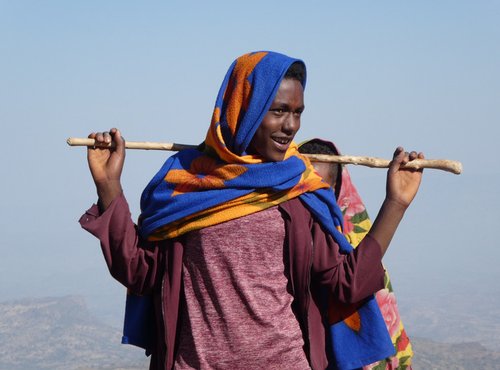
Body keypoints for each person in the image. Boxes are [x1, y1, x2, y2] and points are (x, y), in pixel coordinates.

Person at [79, 51, 424, 370]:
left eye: (297, 113)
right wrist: (108, 187)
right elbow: (140, 273)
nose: (291, 126)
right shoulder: (187, 183)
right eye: (278, 111)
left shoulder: (299, 188)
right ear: (244, 108)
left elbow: (342, 284)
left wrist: (395, 204)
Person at [298, 139, 413, 369]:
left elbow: (353, 284)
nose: (315, 199)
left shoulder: (360, 243)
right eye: (305, 189)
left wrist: (396, 202)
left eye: (322, 190)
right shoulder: (294, 236)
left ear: (338, 190)